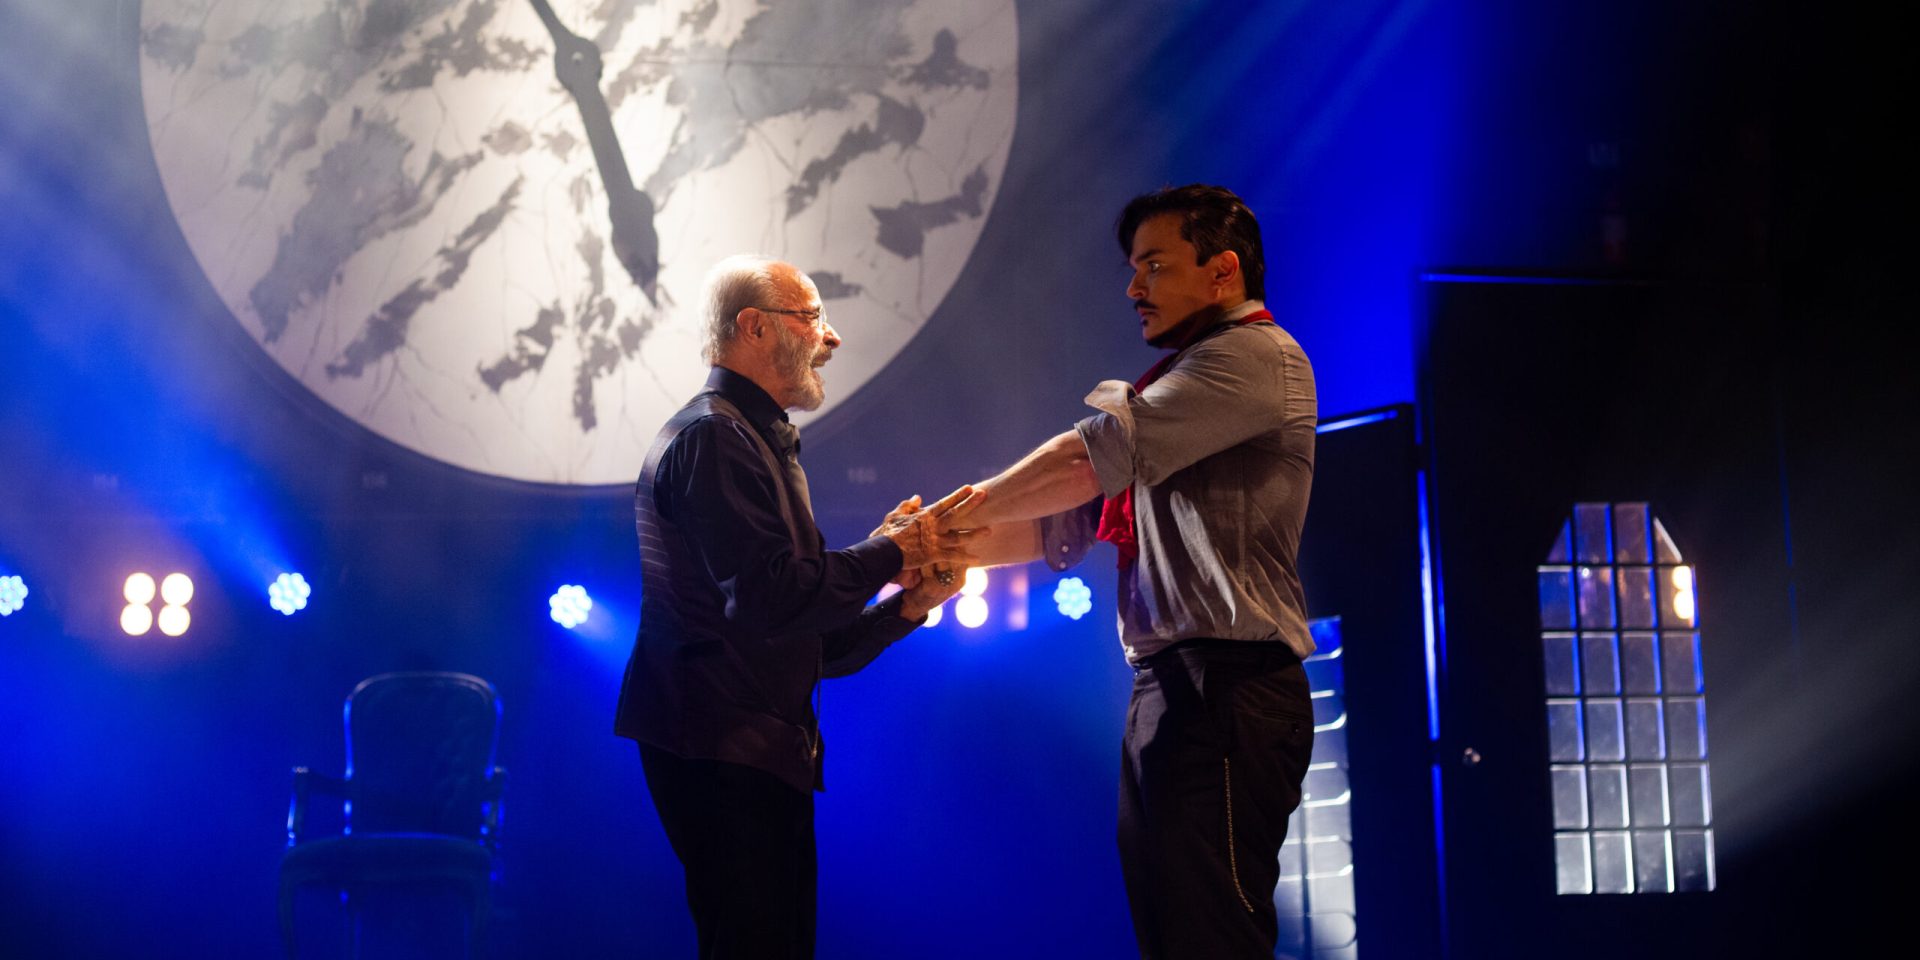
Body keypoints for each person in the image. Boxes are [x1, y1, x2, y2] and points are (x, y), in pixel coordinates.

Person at [960, 185, 1317, 958]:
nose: (1133, 290)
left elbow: (1092, 456)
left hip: (1228, 685)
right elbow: (1070, 522)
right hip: (1179, 687)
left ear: (1222, 271)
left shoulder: (1253, 357)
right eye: (1133, 269)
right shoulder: (1182, 387)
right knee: (1173, 932)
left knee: (1210, 936)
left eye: (1153, 266)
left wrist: (952, 517)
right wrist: (927, 555)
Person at [613, 254, 981, 959]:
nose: (831, 339)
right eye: (812, 317)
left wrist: (905, 600)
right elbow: (768, 599)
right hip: (719, 746)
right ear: (752, 327)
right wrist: (893, 553)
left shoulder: (748, 436)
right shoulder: (714, 436)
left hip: (748, 747)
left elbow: (808, 641)